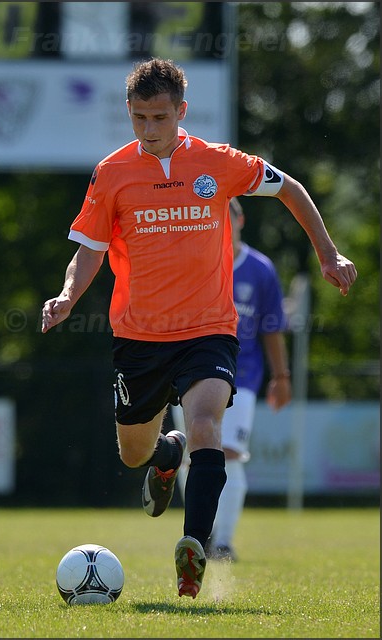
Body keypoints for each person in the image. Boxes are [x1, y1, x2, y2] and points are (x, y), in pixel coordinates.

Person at [41, 58, 357, 599]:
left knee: (208, 425)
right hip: (139, 338)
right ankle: (166, 456)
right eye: (138, 117)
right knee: (133, 453)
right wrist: (70, 294)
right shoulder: (112, 172)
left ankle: (194, 549)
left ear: (181, 112)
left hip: (208, 329)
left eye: (159, 116)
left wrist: (328, 253)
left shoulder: (217, 162)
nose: (148, 129)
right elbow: (88, 251)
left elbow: (291, 189)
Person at [172, 196, 292, 562]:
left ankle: (223, 542)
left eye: (227, 217)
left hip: (245, 375)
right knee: (191, 455)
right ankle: (200, 534)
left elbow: (272, 328)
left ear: (240, 220)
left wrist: (281, 376)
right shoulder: (193, 262)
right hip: (191, 374)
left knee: (232, 455)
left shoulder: (260, 269)